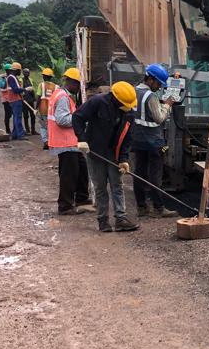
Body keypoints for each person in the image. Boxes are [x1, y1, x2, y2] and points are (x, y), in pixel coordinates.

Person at [73, 80, 139, 233]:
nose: (127, 107)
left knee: (117, 185)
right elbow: (77, 117)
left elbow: (127, 137)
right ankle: (103, 221)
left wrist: (123, 159)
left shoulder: (128, 112)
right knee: (100, 187)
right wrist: (81, 138)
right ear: (115, 98)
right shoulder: (97, 102)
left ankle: (121, 219)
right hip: (95, 151)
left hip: (114, 153)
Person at [129, 64, 180, 218]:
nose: (159, 88)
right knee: (155, 175)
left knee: (139, 173)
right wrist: (167, 105)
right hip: (153, 141)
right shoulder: (150, 96)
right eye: (158, 83)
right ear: (150, 80)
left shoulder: (134, 91)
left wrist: (159, 104)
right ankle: (159, 208)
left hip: (137, 139)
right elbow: (158, 118)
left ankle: (142, 208)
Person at [48, 67, 95, 216]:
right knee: (69, 174)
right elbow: (62, 119)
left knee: (81, 170)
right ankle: (65, 205)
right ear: (70, 82)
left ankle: (81, 198)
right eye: (78, 84)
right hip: (65, 143)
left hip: (71, 143)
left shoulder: (64, 95)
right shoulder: (62, 97)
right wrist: (79, 119)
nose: (79, 88)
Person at [37, 67, 57, 149]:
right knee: (51, 125)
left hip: (43, 109)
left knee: (43, 126)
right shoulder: (55, 86)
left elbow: (38, 97)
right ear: (51, 77)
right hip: (52, 110)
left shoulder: (41, 85)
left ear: (44, 76)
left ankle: (46, 142)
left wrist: (36, 108)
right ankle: (52, 141)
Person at [5, 62, 26, 140]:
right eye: (19, 70)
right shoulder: (12, 77)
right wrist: (25, 89)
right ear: (16, 70)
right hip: (15, 100)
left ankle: (15, 134)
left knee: (15, 117)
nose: (20, 72)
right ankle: (20, 134)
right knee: (18, 117)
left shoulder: (12, 77)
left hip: (14, 99)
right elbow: (15, 89)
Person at [21, 67, 37, 136]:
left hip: (30, 99)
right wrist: (26, 89)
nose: (27, 73)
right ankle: (27, 130)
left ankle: (33, 130)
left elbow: (33, 89)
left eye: (28, 72)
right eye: (25, 72)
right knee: (25, 115)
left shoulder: (30, 80)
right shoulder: (21, 80)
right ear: (23, 73)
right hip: (24, 100)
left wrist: (34, 98)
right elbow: (20, 90)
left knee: (33, 115)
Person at [0, 63, 13, 134]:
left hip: (10, 98)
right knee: (7, 114)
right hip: (5, 99)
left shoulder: (10, 77)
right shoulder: (2, 78)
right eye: (10, 70)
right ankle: (7, 129)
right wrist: (4, 79)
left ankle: (9, 129)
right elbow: (1, 86)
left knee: (10, 114)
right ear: (7, 70)